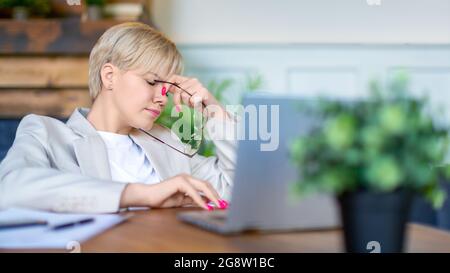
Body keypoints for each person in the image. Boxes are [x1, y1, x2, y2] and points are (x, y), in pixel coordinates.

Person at [0, 22, 236, 213]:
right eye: (153, 82)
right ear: (110, 76)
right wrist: (143, 194)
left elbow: (235, 189)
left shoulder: (169, 143)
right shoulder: (46, 133)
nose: (163, 98)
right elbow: (10, 190)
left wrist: (215, 111)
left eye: (167, 89)